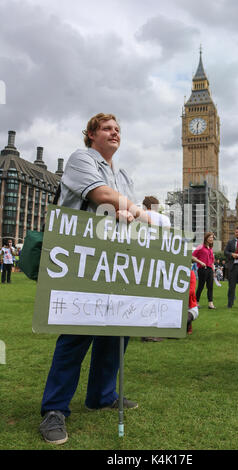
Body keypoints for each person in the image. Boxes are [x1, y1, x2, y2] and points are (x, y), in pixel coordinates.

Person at [39, 113, 151, 445]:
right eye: (106, 128)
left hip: (117, 259)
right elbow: (102, 196)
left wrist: (130, 210)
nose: (114, 133)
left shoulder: (124, 174)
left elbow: (129, 212)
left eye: (118, 129)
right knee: (77, 333)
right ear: (90, 134)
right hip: (83, 257)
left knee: (118, 330)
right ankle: (55, 410)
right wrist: (132, 208)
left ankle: (102, 395)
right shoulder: (81, 159)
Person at [141, 196, 170, 342]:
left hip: (140, 261)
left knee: (143, 295)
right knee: (155, 296)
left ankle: (141, 328)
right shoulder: (163, 219)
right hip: (158, 261)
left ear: (144, 206)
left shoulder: (138, 216)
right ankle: (150, 332)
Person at [192, 232, 216, 310]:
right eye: (210, 237)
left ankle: (210, 303)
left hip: (209, 269)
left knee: (210, 287)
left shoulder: (211, 249)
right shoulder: (200, 247)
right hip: (202, 269)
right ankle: (196, 302)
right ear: (206, 238)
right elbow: (192, 256)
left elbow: (212, 261)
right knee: (201, 286)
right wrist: (200, 262)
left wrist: (213, 270)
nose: (211, 239)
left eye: (212, 237)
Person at [187, 269, 199, 334]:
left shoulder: (191, 273)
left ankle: (188, 324)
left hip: (190, 307)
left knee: (184, 320)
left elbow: (191, 290)